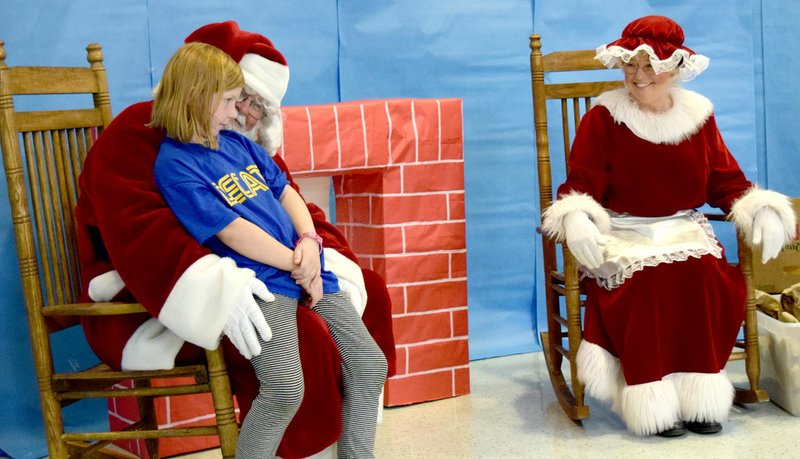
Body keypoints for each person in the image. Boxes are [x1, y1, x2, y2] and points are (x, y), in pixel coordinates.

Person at [75, 21, 395, 458]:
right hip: (256, 279)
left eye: (245, 102)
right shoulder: (170, 159)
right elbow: (217, 232)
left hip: (295, 266)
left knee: (370, 355)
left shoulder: (237, 143)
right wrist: (291, 262)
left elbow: (285, 192)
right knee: (285, 384)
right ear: (198, 95)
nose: (238, 113)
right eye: (231, 101)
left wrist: (310, 242)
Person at [541, 15, 796, 437]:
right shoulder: (603, 118)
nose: (638, 77)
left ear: (675, 67)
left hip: (681, 228)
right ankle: (652, 401)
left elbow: (724, 179)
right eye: (630, 65)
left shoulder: (698, 117)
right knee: (648, 283)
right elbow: (580, 184)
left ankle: (697, 397)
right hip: (623, 231)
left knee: (704, 277)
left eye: (651, 65)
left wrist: (760, 207)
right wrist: (576, 216)